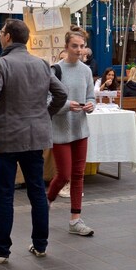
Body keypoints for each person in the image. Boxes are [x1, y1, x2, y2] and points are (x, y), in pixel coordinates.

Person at [0, 19, 68, 264]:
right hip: (34, 137)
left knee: (5, 194)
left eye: (2, 33)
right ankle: (40, 244)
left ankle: (1, 249)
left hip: (7, 137)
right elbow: (61, 93)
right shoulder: (41, 64)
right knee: (37, 190)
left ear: (7, 37)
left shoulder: (2, 64)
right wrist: (44, 114)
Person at [47, 28, 96, 237]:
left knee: (78, 175)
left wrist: (91, 105)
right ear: (66, 47)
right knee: (64, 174)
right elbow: (47, 101)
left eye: (82, 46)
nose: (79, 50)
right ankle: (45, 203)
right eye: (74, 46)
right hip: (60, 129)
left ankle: (75, 219)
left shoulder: (86, 71)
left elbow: (91, 96)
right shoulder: (55, 70)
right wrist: (68, 105)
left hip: (80, 128)